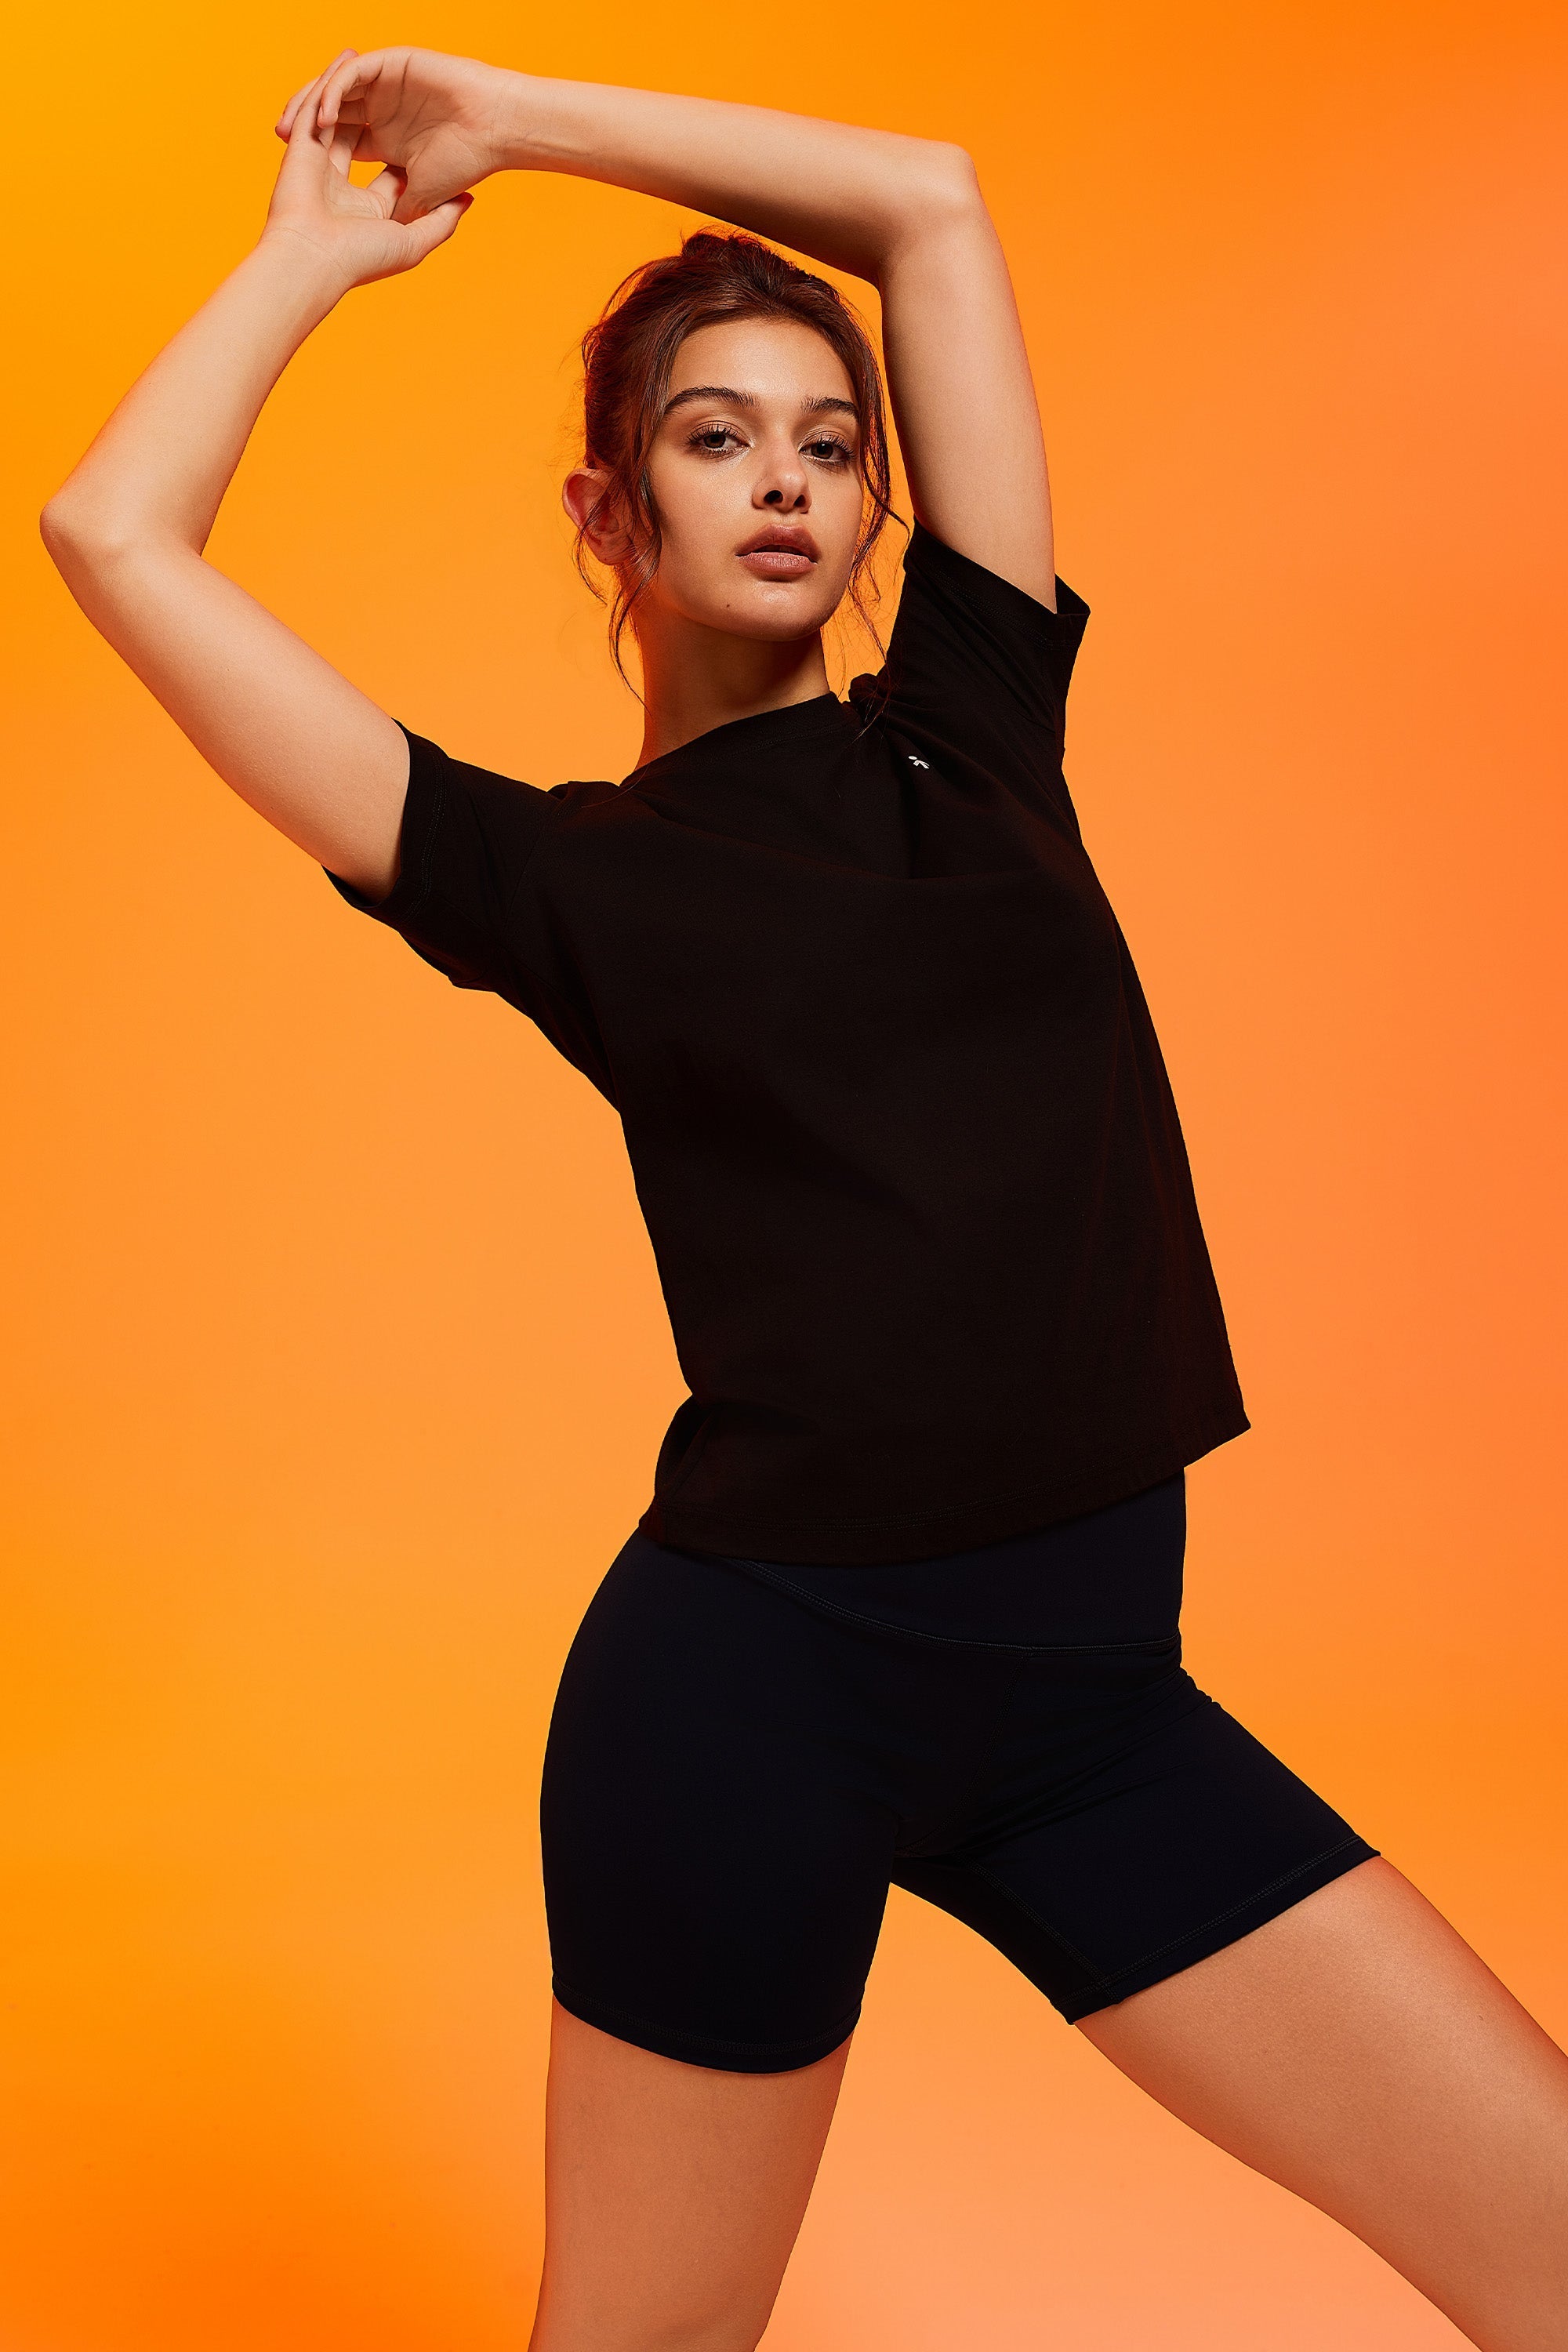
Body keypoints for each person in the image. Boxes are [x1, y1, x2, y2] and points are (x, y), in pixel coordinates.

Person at [40, 45, 1568, 2352]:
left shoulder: (976, 723)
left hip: (1092, 1712)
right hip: (758, 1708)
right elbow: (114, 538)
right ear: (610, 509)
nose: (787, 480)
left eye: (832, 444)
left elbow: (931, 202)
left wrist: (518, 122)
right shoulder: (547, 876)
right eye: (715, 434)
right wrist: (306, 265)